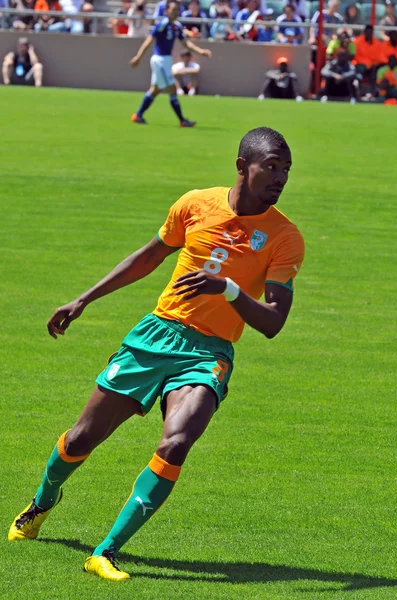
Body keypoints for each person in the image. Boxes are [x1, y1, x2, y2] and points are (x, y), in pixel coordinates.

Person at [8, 126, 305, 583]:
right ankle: (42, 503)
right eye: (271, 166)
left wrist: (226, 290)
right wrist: (83, 299)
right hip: (155, 336)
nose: (280, 176)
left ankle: (105, 552)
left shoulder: (284, 237)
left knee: (177, 441)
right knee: (82, 438)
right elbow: (148, 257)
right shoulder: (195, 204)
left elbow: (272, 322)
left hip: (207, 352)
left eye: (286, 169)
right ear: (243, 167)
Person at [129, 0, 211, 127]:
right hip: (160, 60)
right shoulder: (162, 24)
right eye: (173, 9)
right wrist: (138, 57)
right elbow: (149, 40)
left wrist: (201, 51)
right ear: (166, 11)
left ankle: (138, 115)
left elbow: (186, 43)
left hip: (166, 60)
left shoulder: (177, 26)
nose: (175, 12)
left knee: (155, 90)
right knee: (172, 90)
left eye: (177, 10)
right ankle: (182, 121)